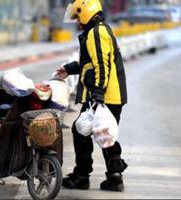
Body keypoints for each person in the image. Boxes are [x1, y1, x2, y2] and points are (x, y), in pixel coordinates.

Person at [54, 0, 128, 192]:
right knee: (104, 134)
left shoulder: (97, 32)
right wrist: (69, 69)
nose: (77, 21)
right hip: (108, 95)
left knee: (82, 132)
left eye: (78, 16)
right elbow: (89, 63)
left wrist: (97, 93)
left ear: (86, 11)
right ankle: (114, 177)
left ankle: (82, 176)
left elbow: (101, 66)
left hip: (103, 95)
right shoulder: (97, 30)